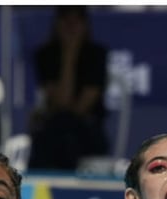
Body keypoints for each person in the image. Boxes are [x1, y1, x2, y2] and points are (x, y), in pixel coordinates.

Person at [28, 5, 109, 171]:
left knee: (66, 130)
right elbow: (60, 102)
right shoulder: (46, 55)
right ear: (57, 24)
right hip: (53, 127)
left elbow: (80, 108)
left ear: (85, 25)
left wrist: (71, 53)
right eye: (66, 21)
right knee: (56, 129)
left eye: (76, 21)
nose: (71, 27)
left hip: (87, 130)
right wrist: (68, 55)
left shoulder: (96, 55)